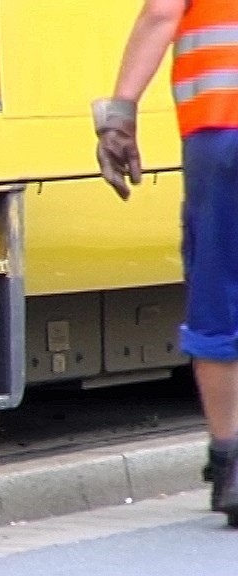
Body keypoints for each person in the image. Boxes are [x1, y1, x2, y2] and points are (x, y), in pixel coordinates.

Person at [92, 0, 238, 521]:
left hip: (222, 134)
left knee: (219, 294)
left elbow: (161, 14)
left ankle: (231, 465)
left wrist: (119, 117)